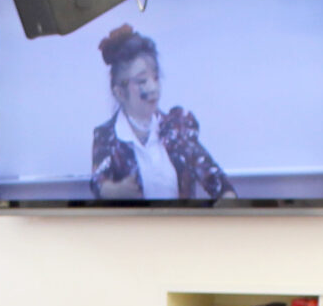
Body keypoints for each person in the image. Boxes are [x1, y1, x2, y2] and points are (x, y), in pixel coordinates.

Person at [87, 25, 233, 202]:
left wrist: (228, 209)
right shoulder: (107, 136)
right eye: (142, 81)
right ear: (119, 92)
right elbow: (98, 182)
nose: (153, 88)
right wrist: (114, 190)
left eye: (155, 78)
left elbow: (219, 183)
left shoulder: (177, 128)